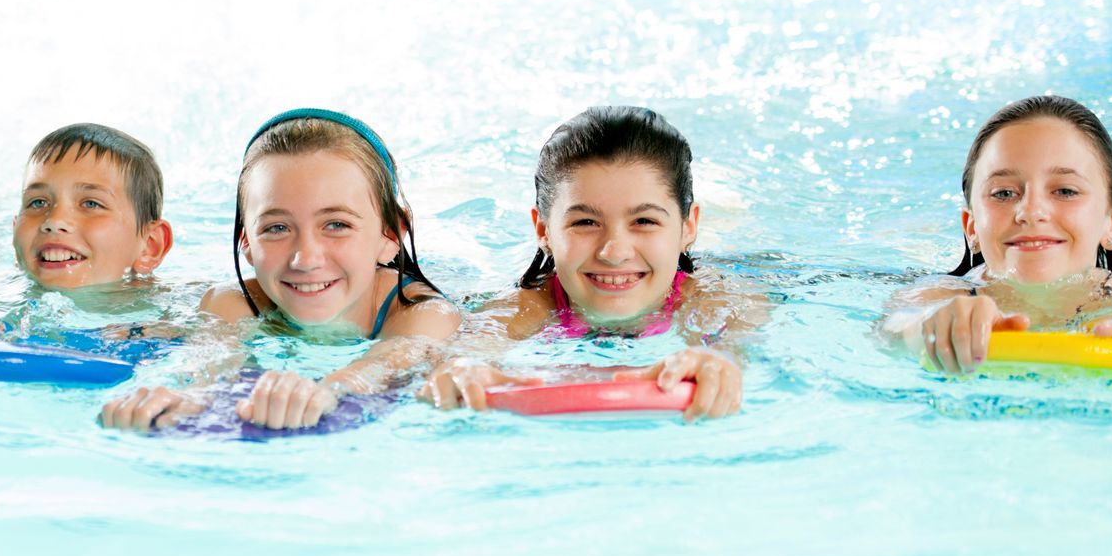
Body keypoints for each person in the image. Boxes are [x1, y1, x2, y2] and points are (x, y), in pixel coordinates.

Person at [100, 107, 460, 432]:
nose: (305, 259)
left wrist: (328, 389)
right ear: (247, 243)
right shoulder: (232, 302)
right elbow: (212, 359)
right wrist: (186, 395)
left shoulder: (424, 313)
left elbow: (390, 362)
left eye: (336, 225)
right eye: (276, 228)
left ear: (390, 234)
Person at [423, 106, 752, 422]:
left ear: (688, 227)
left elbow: (736, 339)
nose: (613, 251)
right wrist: (461, 366)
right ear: (544, 230)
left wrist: (722, 360)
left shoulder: (710, 297)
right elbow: (471, 347)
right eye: (585, 223)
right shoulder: (529, 306)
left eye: (644, 220)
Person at [883, 94, 1112, 382]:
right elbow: (897, 328)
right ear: (971, 227)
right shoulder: (942, 296)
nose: (1030, 211)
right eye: (1003, 193)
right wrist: (935, 326)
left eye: (1065, 191)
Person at [14, 122, 172, 290]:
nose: (55, 221)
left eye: (91, 203)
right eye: (38, 202)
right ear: (14, 230)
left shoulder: (191, 310)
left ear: (149, 246)